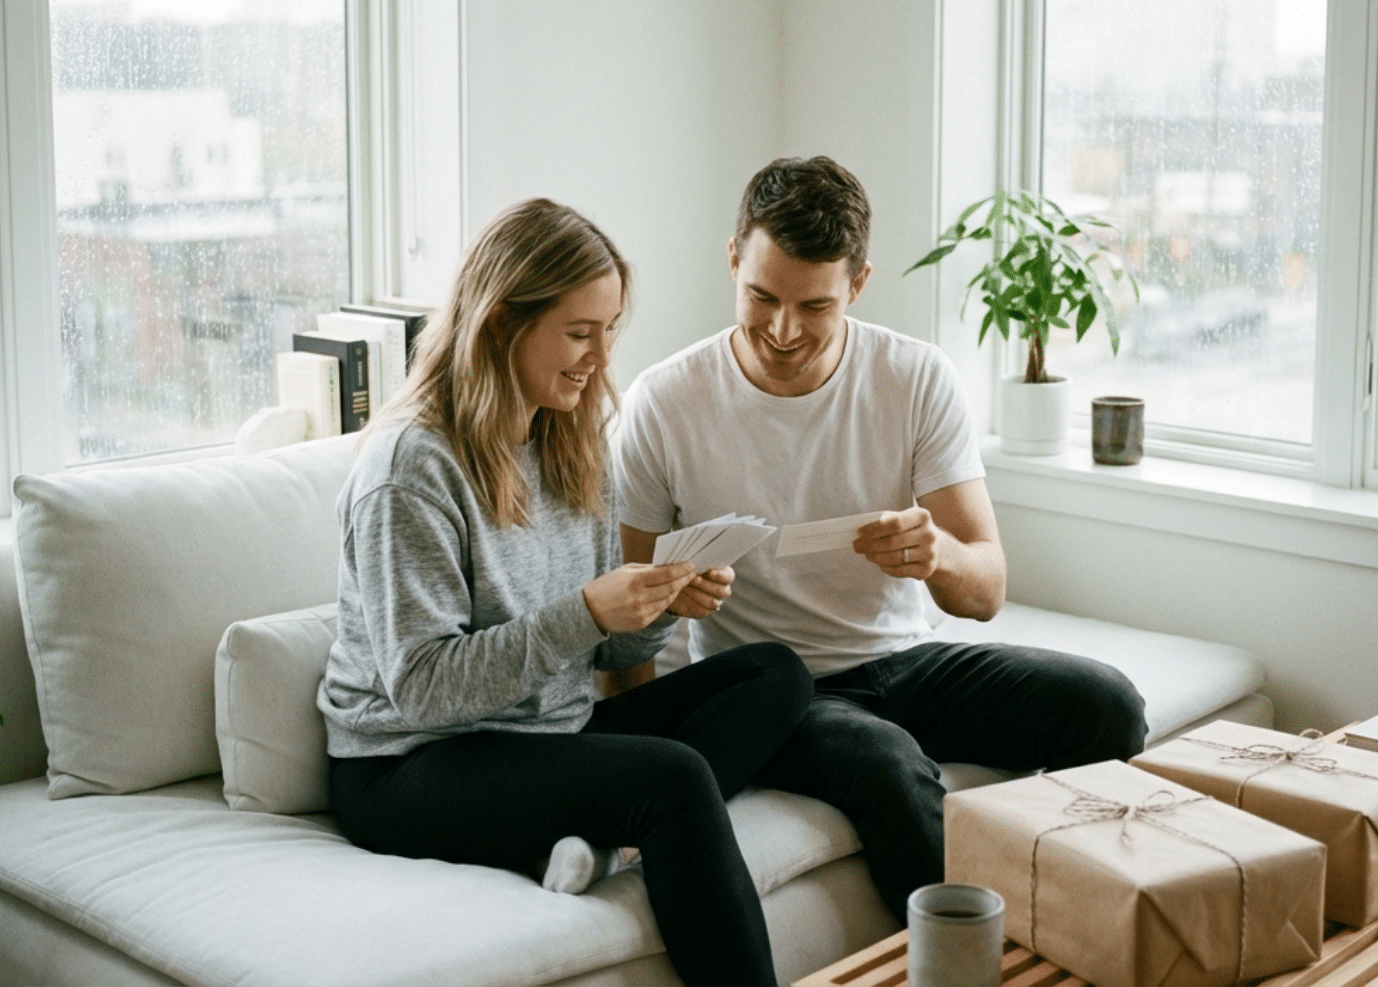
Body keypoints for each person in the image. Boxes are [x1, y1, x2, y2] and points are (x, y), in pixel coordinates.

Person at [615, 157, 1148, 923]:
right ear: (733, 258)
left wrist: (938, 555)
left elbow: (987, 589)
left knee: (1106, 704)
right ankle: (968, 969)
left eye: (815, 306)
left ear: (858, 284)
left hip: (905, 661)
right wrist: (671, 615)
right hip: (774, 690)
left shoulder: (914, 378)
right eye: (760, 296)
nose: (783, 329)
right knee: (887, 763)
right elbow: (628, 618)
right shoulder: (664, 402)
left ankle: (1084, 925)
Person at [321, 198, 811, 987]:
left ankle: (601, 840)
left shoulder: (570, 439)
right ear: (502, 324)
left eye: (610, 329)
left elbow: (609, 651)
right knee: (674, 779)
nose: (600, 357)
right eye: (580, 333)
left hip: (548, 729)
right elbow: (417, 689)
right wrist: (584, 612)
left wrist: (656, 609)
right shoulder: (411, 470)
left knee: (775, 675)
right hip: (408, 765)